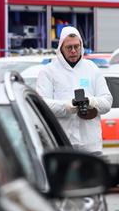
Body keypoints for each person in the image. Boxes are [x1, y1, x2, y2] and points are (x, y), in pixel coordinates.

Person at [36, 26, 113, 154]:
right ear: (61, 48)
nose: (73, 51)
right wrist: (66, 106)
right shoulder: (48, 72)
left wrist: (91, 102)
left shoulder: (92, 69)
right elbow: (42, 105)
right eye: (69, 47)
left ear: (81, 46)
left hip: (90, 146)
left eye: (76, 46)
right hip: (61, 145)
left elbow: (107, 102)